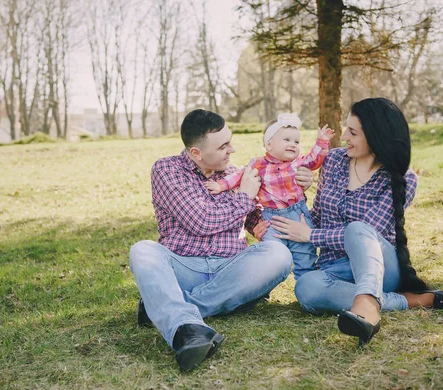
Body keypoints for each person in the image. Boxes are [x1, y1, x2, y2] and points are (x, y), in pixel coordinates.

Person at [129, 109, 313, 371]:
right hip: (185, 266)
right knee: (142, 250)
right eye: (223, 146)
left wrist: (296, 188)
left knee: (278, 255)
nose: (232, 150)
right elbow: (201, 221)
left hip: (231, 268)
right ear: (196, 153)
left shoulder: (237, 174)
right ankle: (187, 330)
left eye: (230, 141)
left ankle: (166, 306)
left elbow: (259, 214)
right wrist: (245, 197)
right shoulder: (167, 169)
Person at [269, 98, 443, 345]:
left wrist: (310, 236)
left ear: (376, 136)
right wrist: (282, 222)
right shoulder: (334, 161)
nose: (344, 135)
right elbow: (319, 216)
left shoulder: (402, 178)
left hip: (381, 267)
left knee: (357, 229)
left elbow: (367, 232)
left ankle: (367, 303)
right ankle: (409, 301)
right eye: (346, 128)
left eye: (353, 132)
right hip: (335, 268)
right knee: (306, 288)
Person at [205, 113, 334, 279]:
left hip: (297, 213)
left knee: (304, 252)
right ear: (269, 144)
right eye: (287, 140)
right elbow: (238, 176)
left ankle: (306, 280)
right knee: (270, 252)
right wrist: (220, 185)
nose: (293, 145)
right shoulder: (258, 164)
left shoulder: (298, 163)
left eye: (296, 141)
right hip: (270, 218)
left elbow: (315, 159)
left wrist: (322, 141)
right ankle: (263, 283)